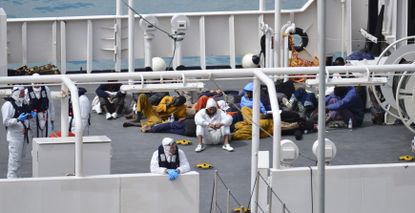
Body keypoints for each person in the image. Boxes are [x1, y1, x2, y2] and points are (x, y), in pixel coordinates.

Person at [2, 86, 34, 178]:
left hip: (23, 135)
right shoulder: (8, 105)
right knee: (14, 160)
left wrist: (31, 116)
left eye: (24, 92)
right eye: (21, 92)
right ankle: (11, 179)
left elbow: (27, 114)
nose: (23, 94)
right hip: (15, 137)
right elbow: (6, 122)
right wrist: (17, 119)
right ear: (16, 92)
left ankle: (17, 178)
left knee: (20, 158)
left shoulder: (23, 103)